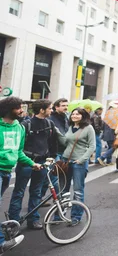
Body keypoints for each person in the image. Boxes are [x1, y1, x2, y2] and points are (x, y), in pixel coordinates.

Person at [8, 100, 59, 230]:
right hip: (26, 162)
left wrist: (52, 157)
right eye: (49, 108)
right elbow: (19, 145)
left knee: (36, 192)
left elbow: (53, 143)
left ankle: (33, 219)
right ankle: (14, 220)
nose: (51, 111)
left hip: (42, 162)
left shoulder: (50, 123)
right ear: (41, 110)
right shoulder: (26, 124)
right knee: (19, 191)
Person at [0, 97, 42, 252]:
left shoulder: (19, 128)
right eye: (18, 108)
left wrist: (32, 163)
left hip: (6, 172)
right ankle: (2, 243)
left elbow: (18, 152)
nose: (22, 111)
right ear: (8, 109)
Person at [57, 107, 96, 226]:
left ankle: (76, 216)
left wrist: (82, 160)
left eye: (78, 114)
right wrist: (58, 133)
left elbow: (92, 146)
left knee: (78, 190)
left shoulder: (88, 128)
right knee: (63, 189)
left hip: (78, 163)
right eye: (73, 114)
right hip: (65, 161)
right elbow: (66, 143)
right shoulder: (70, 127)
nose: (74, 116)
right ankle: (60, 213)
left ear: (83, 116)